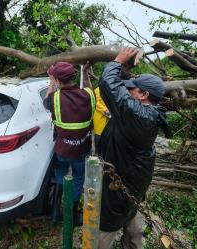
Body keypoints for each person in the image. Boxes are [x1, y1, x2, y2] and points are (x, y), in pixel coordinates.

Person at [97, 48, 171, 249]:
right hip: (134, 180)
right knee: (132, 215)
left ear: (144, 95)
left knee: (108, 222)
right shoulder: (147, 112)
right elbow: (120, 86)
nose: (128, 90)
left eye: (134, 89)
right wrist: (126, 66)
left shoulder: (137, 115)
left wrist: (116, 61)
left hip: (121, 183)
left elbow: (108, 84)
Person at [44, 61, 95, 226]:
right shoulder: (89, 95)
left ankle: (55, 213)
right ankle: (71, 215)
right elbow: (88, 86)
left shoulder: (55, 98)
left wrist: (51, 84)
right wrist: (86, 73)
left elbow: (46, 102)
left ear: (58, 81)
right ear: (74, 76)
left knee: (61, 172)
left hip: (63, 149)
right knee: (79, 177)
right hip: (81, 148)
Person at [93, 87, 110, 152]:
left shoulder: (111, 89)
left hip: (109, 118)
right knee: (99, 136)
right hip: (100, 117)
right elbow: (96, 102)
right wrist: (105, 109)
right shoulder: (97, 90)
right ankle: (98, 154)